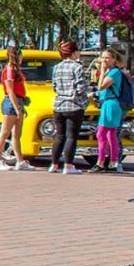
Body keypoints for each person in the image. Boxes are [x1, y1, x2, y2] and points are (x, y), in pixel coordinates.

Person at [49, 40, 89, 175]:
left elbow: (54, 86)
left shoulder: (57, 67)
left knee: (59, 136)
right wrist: (84, 102)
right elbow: (81, 88)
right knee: (71, 136)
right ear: (73, 52)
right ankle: (68, 165)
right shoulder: (77, 67)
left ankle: (54, 164)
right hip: (74, 105)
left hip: (59, 105)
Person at [89, 48, 127, 174]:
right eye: (103, 57)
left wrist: (103, 71)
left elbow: (101, 86)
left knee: (102, 133)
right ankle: (112, 162)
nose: (104, 60)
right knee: (110, 134)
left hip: (111, 104)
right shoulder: (111, 71)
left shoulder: (114, 72)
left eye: (107, 57)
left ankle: (102, 162)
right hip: (107, 103)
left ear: (114, 59)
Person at [0, 45, 34, 171]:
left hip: (19, 101)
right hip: (11, 102)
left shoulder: (16, 70)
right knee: (5, 132)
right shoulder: (9, 70)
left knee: (17, 134)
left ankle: (20, 160)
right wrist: (17, 108)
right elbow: (10, 91)